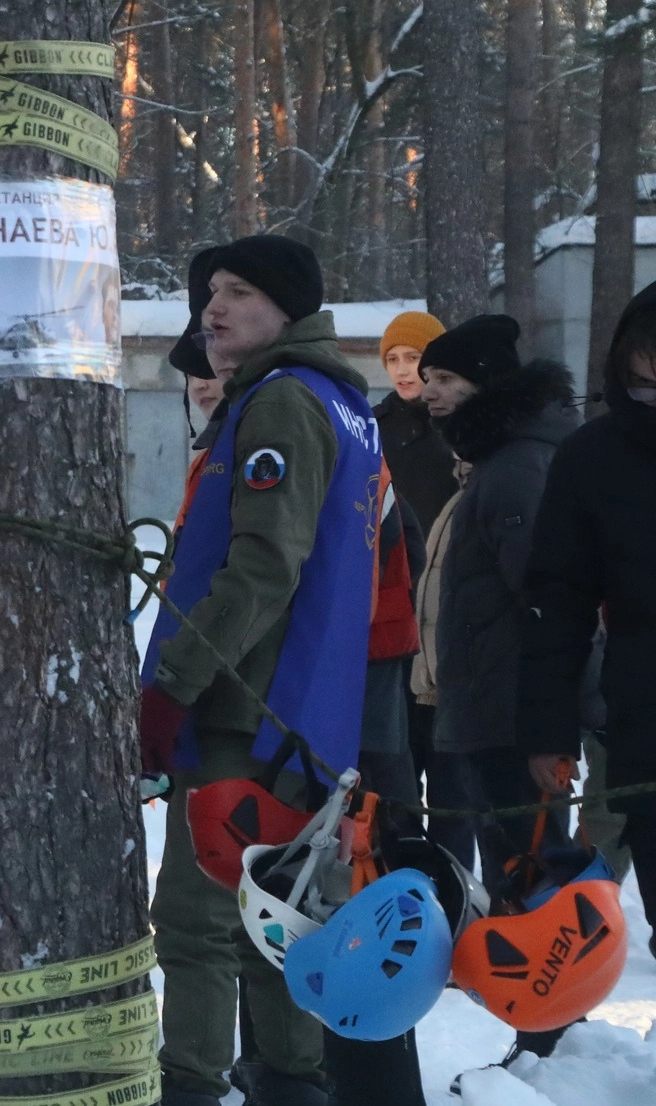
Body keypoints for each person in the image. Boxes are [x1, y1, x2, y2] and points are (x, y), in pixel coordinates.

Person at [141, 235, 383, 1106]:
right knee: (274, 920)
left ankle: (189, 1085)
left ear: (288, 309)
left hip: (244, 707)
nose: (212, 307)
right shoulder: (347, 406)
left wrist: (173, 683)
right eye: (209, 289)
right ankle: (289, 1081)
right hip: (309, 712)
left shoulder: (280, 404)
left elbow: (262, 569)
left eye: (238, 291)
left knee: (200, 924)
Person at [421, 313, 578, 944]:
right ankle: (542, 1024)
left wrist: (552, 720)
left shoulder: (516, 468)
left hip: (516, 712)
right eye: (427, 376)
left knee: (531, 871)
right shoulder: (494, 462)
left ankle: (550, 1028)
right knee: (517, 869)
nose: (429, 390)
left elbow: (546, 599)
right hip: (493, 703)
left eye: (446, 378)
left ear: (487, 386)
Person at [521, 280, 656, 952]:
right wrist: (548, 729)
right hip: (647, 724)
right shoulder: (594, 458)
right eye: (644, 389)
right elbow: (556, 602)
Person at [372, 311, 454, 536]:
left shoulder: (461, 426)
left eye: (412, 357)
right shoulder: (370, 428)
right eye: (392, 359)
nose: (401, 370)